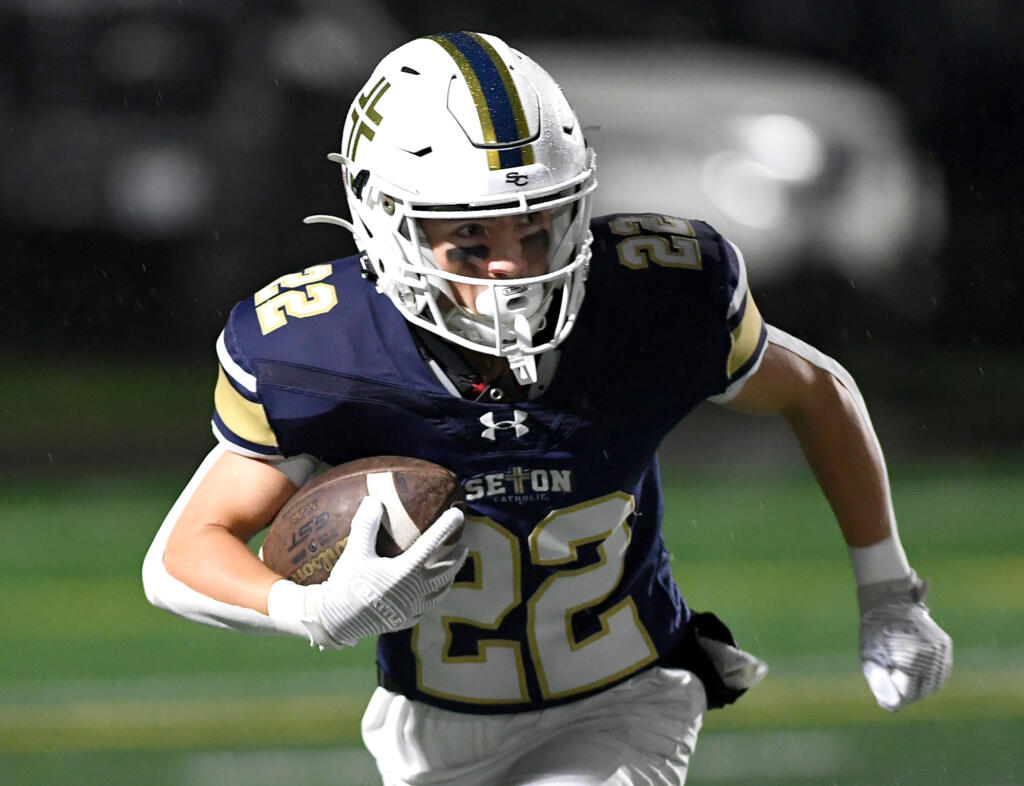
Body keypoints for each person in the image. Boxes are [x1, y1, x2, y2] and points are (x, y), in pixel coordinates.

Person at [142, 31, 953, 785]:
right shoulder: (319, 352)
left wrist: (889, 594)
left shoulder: (653, 297)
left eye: (537, 231)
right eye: (470, 244)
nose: (513, 271)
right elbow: (179, 557)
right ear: (387, 228)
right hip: (429, 731)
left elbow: (818, 390)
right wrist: (309, 609)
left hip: (626, 703)